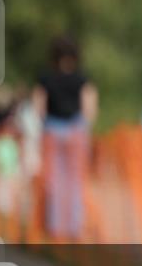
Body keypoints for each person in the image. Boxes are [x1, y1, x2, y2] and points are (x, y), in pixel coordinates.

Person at [33, 36, 98, 241]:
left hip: (52, 129)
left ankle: (54, 227)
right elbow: (90, 108)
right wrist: (81, 128)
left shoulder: (45, 78)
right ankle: (74, 227)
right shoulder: (82, 79)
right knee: (74, 181)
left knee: (54, 180)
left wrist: (46, 127)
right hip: (75, 130)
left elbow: (39, 107)